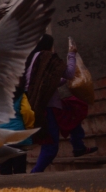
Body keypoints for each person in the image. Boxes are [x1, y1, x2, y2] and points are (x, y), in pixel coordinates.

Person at [25, 35, 97, 173]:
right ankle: (34, 174)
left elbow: (48, 83)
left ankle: (78, 146)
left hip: (42, 106)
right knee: (51, 147)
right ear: (49, 45)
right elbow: (70, 73)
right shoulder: (48, 58)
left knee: (74, 110)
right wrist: (72, 54)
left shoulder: (33, 59)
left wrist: (64, 80)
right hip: (48, 108)